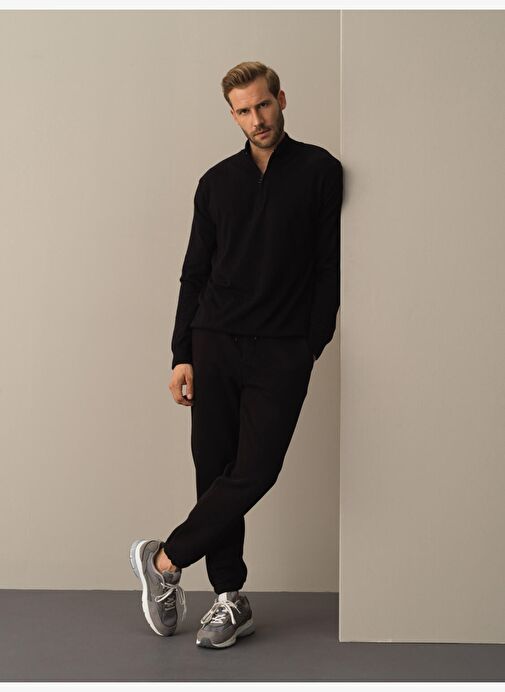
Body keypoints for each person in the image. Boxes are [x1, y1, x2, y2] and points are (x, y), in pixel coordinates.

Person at [130, 60, 343, 649]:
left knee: (256, 470)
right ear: (232, 115)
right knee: (213, 468)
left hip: (282, 348)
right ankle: (228, 598)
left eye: (263, 105)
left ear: (282, 99)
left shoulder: (320, 171)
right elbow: (194, 273)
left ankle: (164, 561)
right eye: (243, 111)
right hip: (214, 342)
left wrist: (310, 342)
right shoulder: (216, 182)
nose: (257, 120)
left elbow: (329, 265)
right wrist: (182, 353)